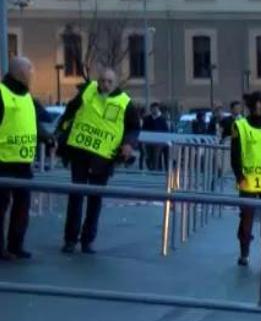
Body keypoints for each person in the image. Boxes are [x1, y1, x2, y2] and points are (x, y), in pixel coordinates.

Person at [58, 67, 139, 254]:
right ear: (98, 80)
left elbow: (134, 127)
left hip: (103, 158)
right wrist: (61, 132)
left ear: (116, 83)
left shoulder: (125, 103)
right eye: (103, 80)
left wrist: (128, 144)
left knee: (95, 199)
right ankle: (70, 239)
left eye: (110, 81)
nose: (105, 85)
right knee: (76, 196)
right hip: (80, 152)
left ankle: (87, 240)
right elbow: (70, 111)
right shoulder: (88, 91)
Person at [0, 57, 53, 260]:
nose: (33, 75)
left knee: (22, 208)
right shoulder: (2, 93)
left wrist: (48, 139)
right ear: (21, 73)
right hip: (3, 161)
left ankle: (16, 245)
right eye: (31, 71)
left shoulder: (28, 98)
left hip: (22, 163)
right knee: (1, 208)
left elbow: (33, 125)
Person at [230, 91, 261, 266]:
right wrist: (240, 177)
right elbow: (235, 156)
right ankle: (244, 254)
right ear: (258, 105)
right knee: (246, 219)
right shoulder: (241, 126)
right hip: (248, 182)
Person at [141, 102, 169, 170]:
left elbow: (166, 130)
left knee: (155, 156)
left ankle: (155, 170)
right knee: (149, 156)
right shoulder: (147, 119)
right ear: (151, 109)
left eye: (156, 109)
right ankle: (152, 168)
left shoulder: (162, 119)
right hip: (148, 141)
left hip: (159, 142)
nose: (154, 110)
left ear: (158, 109)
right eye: (153, 109)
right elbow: (143, 129)